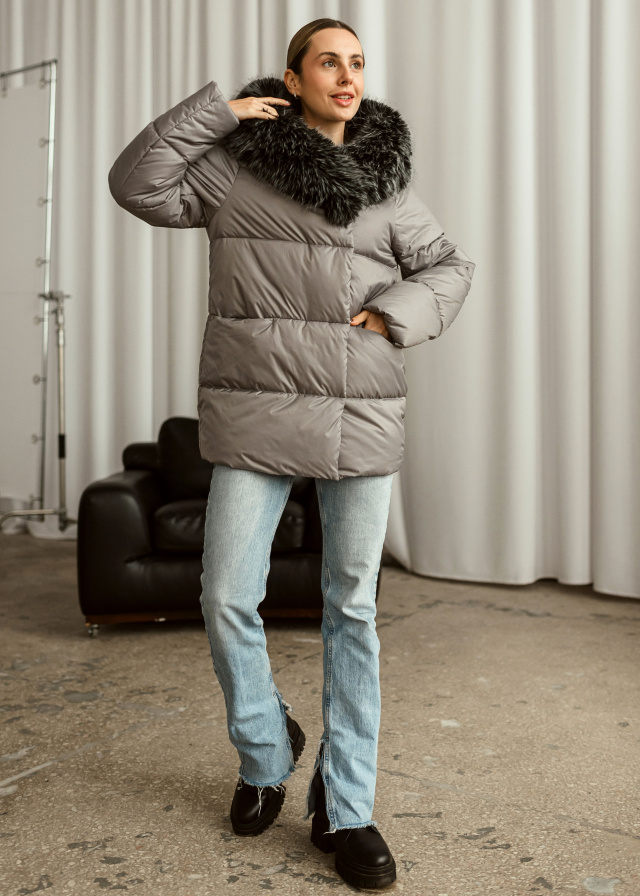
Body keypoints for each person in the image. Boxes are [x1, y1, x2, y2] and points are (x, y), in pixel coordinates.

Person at [109, 17, 475, 890]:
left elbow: (450, 268)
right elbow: (137, 183)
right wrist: (221, 112)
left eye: (358, 63)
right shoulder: (236, 169)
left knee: (352, 610)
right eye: (328, 62)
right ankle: (267, 751)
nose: (347, 76)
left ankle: (347, 807)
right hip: (257, 408)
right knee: (226, 596)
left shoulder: (385, 184)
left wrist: (392, 315)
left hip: (360, 411)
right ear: (293, 77)